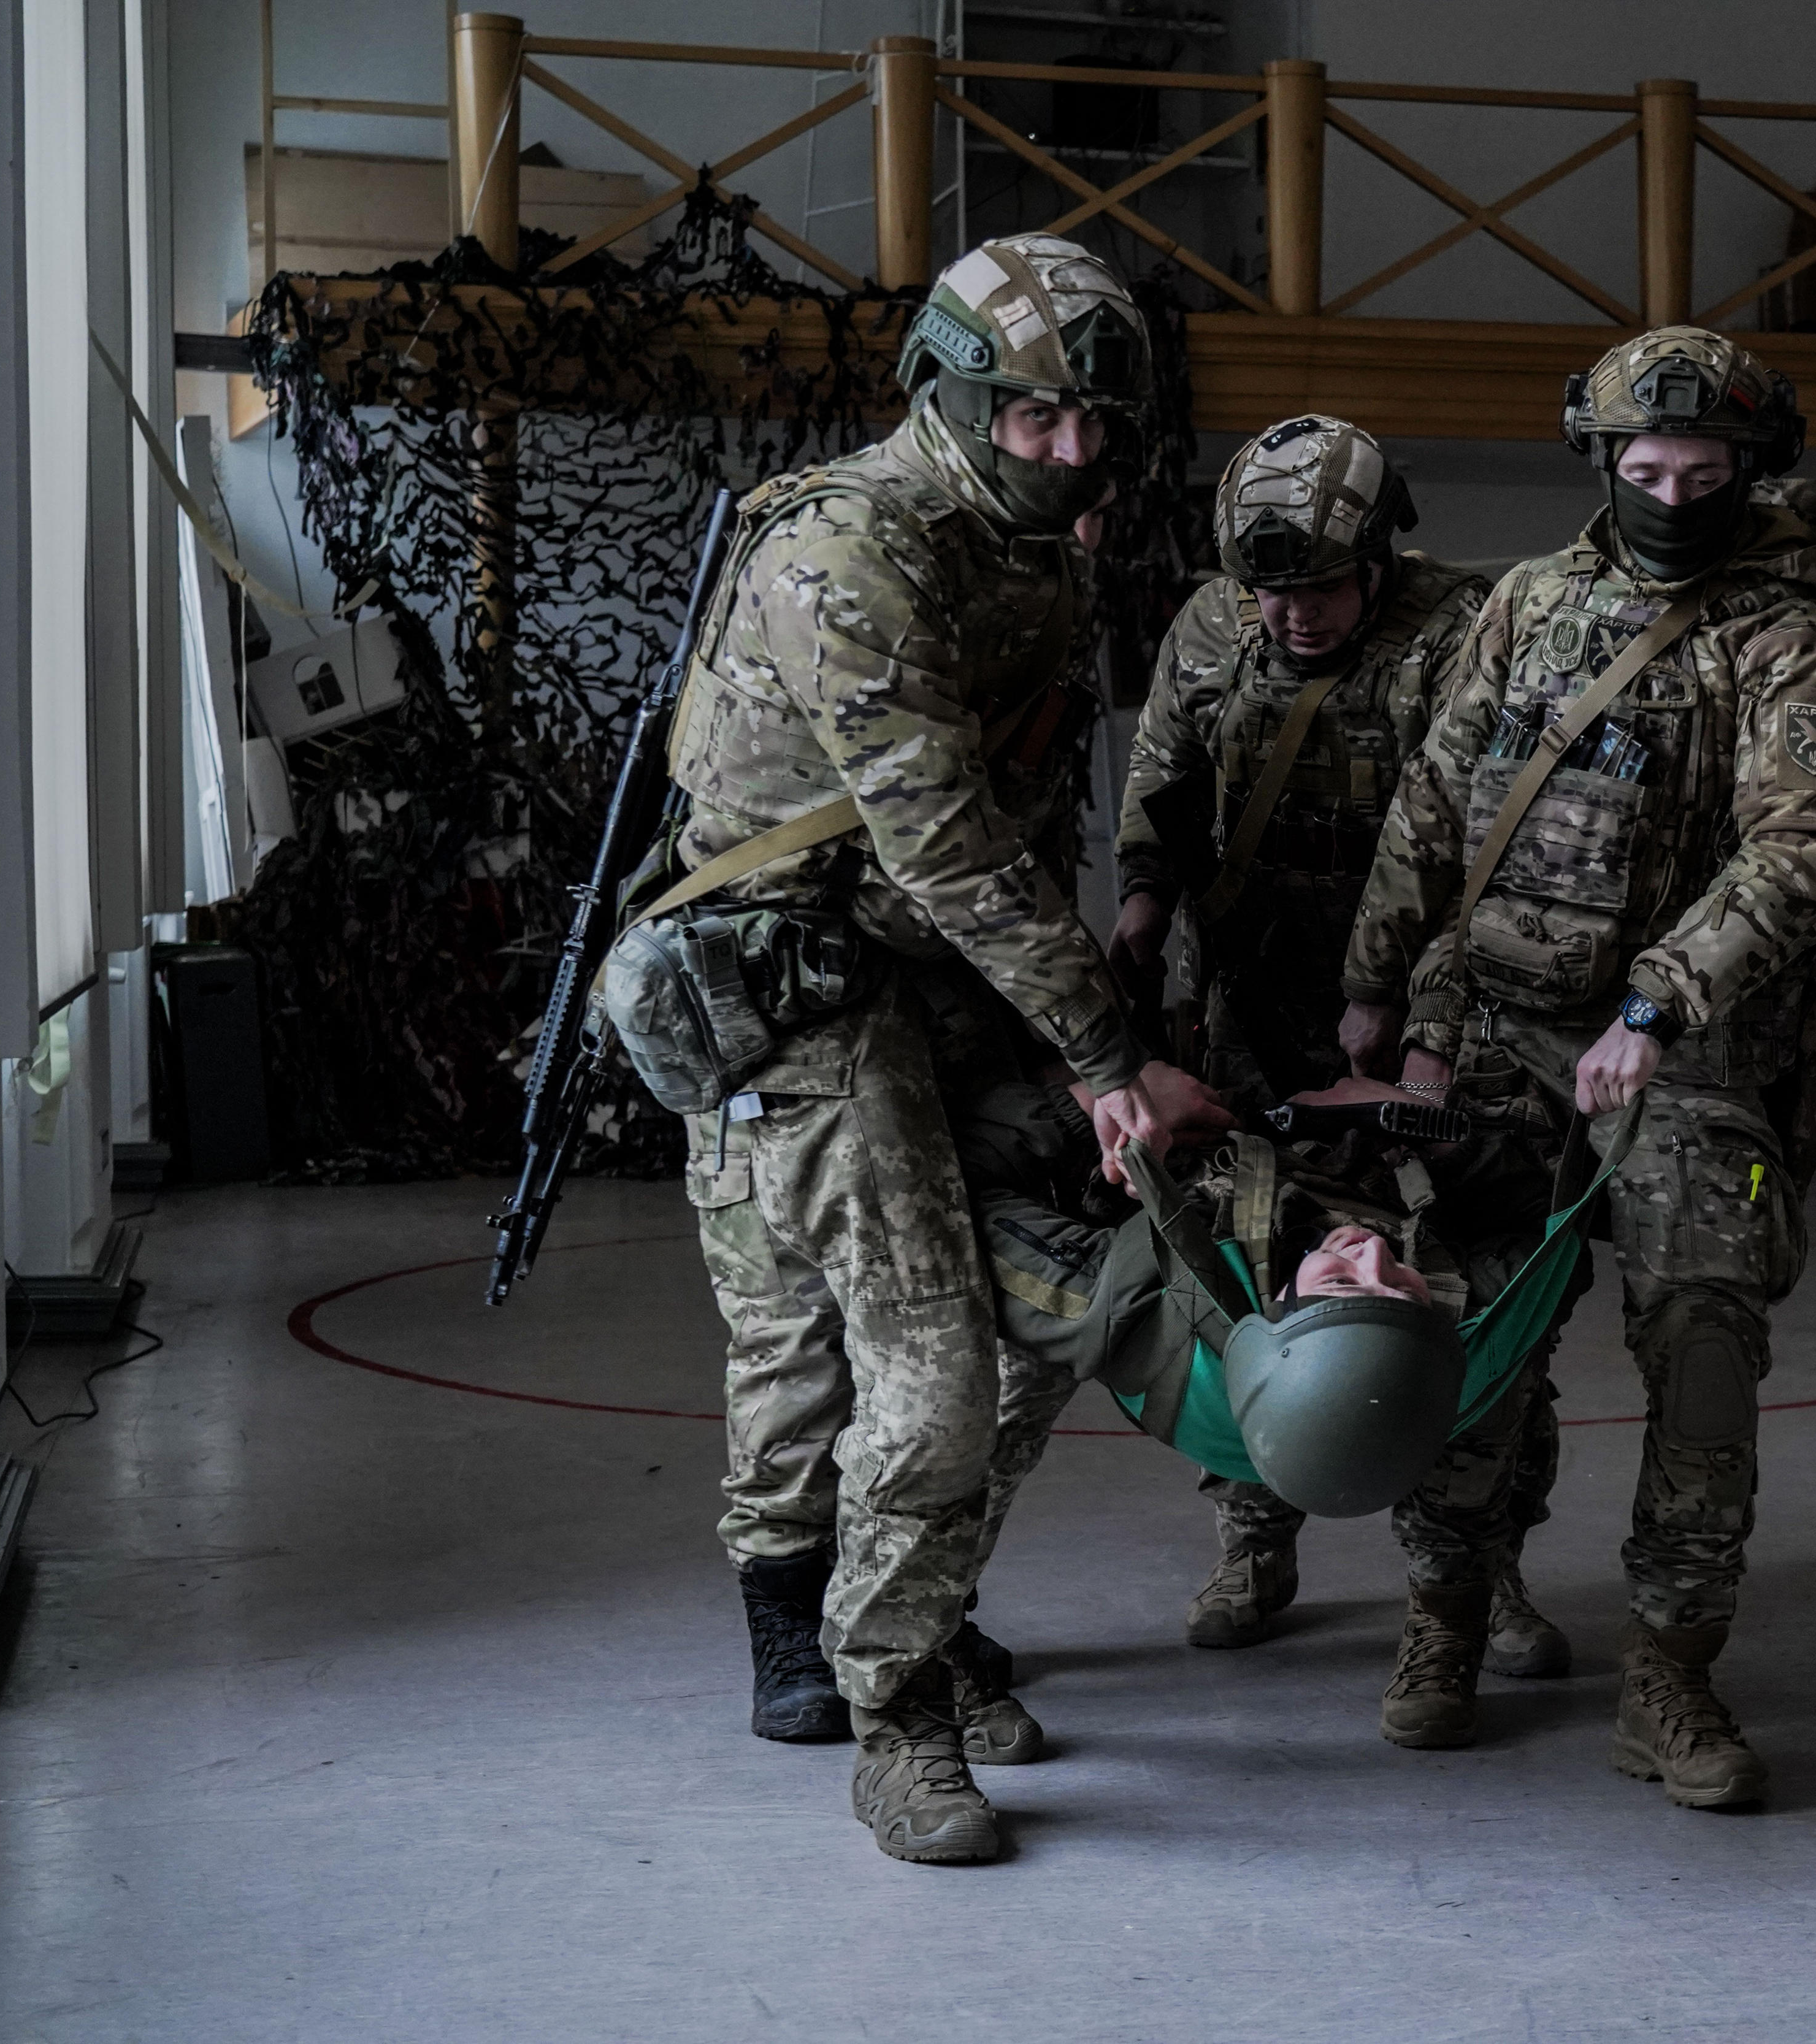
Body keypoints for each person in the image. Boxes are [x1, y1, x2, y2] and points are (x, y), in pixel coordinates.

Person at [665, 232, 1214, 1867]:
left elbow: (1027, 830)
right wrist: (1104, 1055)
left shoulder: (1034, 549)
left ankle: (911, 1600)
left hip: (945, 977)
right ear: (954, 398)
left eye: (1096, 424)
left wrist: (1072, 1053)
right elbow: (947, 846)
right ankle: (895, 1716)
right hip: (805, 990)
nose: (1072, 450)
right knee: (917, 1352)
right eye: (1037, 417)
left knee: (1055, 1294)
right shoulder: (846, 550)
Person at [1339, 326, 1816, 1811]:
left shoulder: (1780, 638)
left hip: (1682, 1053)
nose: (1673, 496)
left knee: (1702, 1348)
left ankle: (1670, 1676)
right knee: (1463, 1335)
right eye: (1647, 469)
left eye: (1704, 473)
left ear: (1747, 469)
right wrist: (1375, 984)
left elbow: (1806, 846)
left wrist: (1657, 1003)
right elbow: (1436, 794)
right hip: (1499, 1032)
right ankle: (1445, 1614)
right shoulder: (1529, 602)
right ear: (1601, 462)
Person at [1103, 418, 1566, 1672]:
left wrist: (1425, 1032)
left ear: (1377, 555)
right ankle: (1254, 1534)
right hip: (1248, 1009)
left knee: (1469, 1283)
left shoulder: (1465, 631)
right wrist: (1141, 907)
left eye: (1319, 588)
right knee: (1251, 1272)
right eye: (1271, 592)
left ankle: (1478, 1566)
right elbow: (1160, 779)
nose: (1293, 615)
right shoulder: (1209, 628)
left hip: (1433, 1007)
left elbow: (1496, 844)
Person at [948, 1065, 1589, 1750]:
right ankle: (1261, 1550)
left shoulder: (1129, 1306)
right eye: (1391, 1286)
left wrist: (1082, 1105)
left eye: (1345, 1281)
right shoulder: (1474, 1307)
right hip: (1260, 1083)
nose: (1373, 1253)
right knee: (1471, 1358)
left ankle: (1451, 1614)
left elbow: (954, 1192)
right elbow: (1553, 1217)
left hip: (1219, 1135)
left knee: (1464, 1398)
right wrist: (1437, 1136)